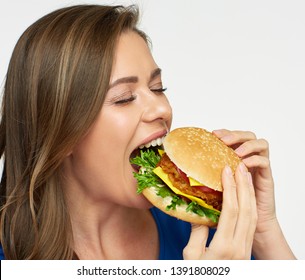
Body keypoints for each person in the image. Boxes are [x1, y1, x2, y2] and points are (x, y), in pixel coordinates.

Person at [0, 4, 295, 260]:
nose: (161, 110)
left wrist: (264, 231)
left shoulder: (214, 236)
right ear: (60, 131)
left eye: (157, 88)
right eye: (124, 98)